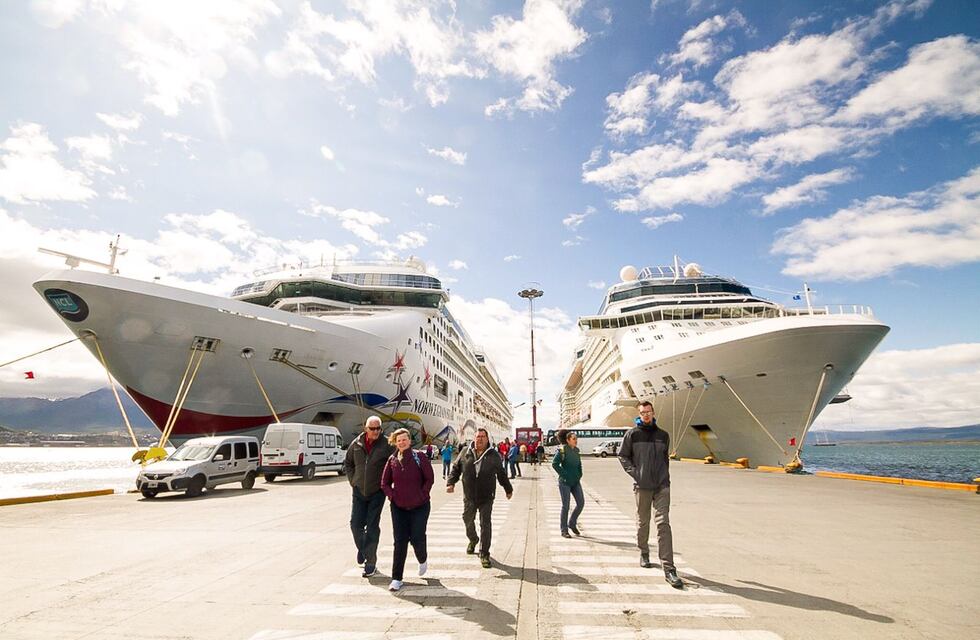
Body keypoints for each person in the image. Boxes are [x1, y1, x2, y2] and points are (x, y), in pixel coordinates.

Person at [619, 401, 683, 589]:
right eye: (642, 412)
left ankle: (669, 568)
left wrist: (664, 478)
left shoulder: (663, 435)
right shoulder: (632, 434)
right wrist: (636, 473)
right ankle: (644, 551)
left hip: (662, 486)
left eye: (648, 412)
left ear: (653, 413)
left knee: (663, 524)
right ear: (639, 414)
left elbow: (664, 459)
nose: (646, 415)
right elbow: (623, 455)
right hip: (642, 486)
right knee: (643, 522)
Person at [447, 428, 513, 568]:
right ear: (474, 438)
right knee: (467, 519)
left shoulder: (493, 455)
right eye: (478, 437)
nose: (480, 439)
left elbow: (501, 473)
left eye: (483, 437)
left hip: (486, 496)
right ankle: (473, 539)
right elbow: (456, 468)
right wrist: (450, 483)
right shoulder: (465, 452)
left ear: (487, 439)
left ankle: (484, 554)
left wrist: (508, 489)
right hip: (469, 495)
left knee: (485, 524)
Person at [381, 428, 434, 592]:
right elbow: (384, 483)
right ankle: (396, 578)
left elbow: (429, 478)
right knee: (400, 541)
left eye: (404, 439)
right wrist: (392, 496)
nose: (402, 442)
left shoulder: (420, 457)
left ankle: (422, 558)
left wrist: (422, 494)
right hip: (399, 507)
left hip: (420, 506)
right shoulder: (392, 460)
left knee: (417, 537)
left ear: (409, 441)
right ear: (395, 442)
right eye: (399, 440)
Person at [344, 415, 395, 578]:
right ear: (366, 429)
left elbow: (395, 464)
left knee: (372, 527)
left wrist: (386, 484)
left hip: (377, 492)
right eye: (372, 428)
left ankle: (371, 562)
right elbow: (348, 463)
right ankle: (363, 548)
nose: (375, 431)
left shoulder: (387, 445)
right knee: (355, 525)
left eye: (378, 428)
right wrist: (353, 480)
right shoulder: (356, 444)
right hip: (359, 490)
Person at [552, 431, 584, 538]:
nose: (576, 440)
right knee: (566, 506)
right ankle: (564, 529)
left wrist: (579, 474)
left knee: (581, 503)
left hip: (575, 481)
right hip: (565, 482)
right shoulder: (562, 450)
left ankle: (572, 523)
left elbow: (579, 464)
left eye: (576, 438)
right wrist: (565, 474)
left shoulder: (576, 451)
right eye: (574, 438)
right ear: (568, 440)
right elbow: (555, 464)